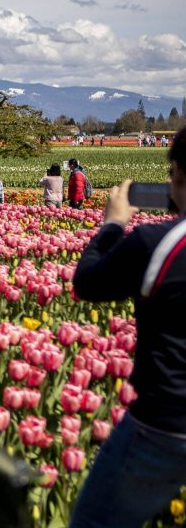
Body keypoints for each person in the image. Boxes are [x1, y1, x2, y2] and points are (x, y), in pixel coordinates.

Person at [68, 126, 186, 528]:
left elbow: (87, 282)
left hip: (165, 424)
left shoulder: (159, 243)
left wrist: (113, 226)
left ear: (178, 179)